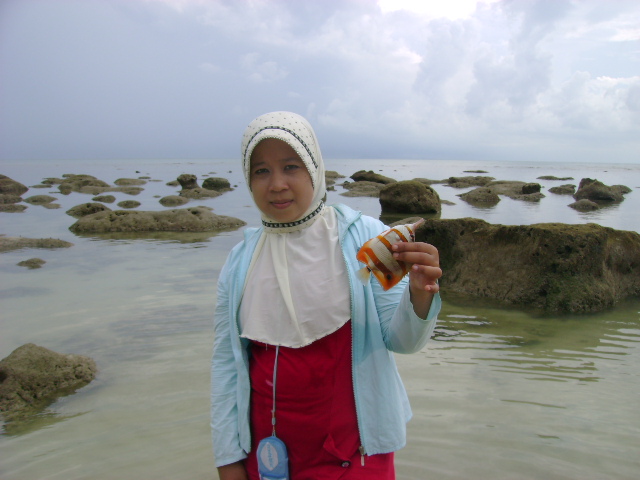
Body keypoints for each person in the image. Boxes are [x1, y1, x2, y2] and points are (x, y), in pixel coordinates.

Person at [211, 111, 442, 480]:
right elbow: (226, 366)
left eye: (291, 166)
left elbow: (403, 342)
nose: (277, 184)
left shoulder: (365, 238)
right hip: (269, 460)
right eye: (261, 171)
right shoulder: (241, 261)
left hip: (358, 455)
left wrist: (419, 293)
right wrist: (228, 459)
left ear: (315, 168)